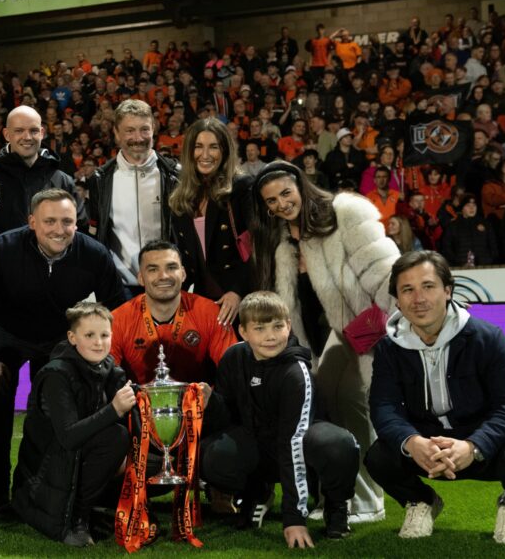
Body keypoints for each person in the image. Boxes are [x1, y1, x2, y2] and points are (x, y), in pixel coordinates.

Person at [366, 251, 505, 545]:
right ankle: (421, 501)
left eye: (428, 286)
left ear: (448, 291)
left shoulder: (487, 337)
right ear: (397, 300)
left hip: (483, 445)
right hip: (427, 445)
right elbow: (383, 407)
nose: (419, 298)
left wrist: (473, 446)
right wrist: (413, 442)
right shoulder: (389, 348)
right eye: (407, 289)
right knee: (378, 457)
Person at [252, 160, 400, 524]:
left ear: (302, 186)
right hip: (315, 344)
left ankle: (369, 501)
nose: (281, 204)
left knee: (351, 406)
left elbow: (388, 274)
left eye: (286, 193)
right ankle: (336, 499)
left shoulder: (345, 212)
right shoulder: (282, 241)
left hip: (364, 330)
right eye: (271, 201)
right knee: (324, 416)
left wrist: (384, 327)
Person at [0, 188, 125, 515]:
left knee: (51, 418)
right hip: (6, 336)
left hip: (58, 339)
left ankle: (36, 492)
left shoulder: (95, 254)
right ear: (31, 222)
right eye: (50, 221)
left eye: (67, 222)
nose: (59, 229)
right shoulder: (2, 249)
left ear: (77, 223)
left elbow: (119, 308)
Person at [201, 292, 359, 547]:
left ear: (288, 326)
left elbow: (293, 443)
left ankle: (336, 504)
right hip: (258, 443)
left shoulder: (296, 373)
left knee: (338, 445)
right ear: (243, 331)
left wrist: (294, 519)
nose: (270, 336)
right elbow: (227, 418)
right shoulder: (233, 358)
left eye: (277, 326)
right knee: (213, 454)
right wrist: (211, 403)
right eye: (260, 328)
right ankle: (256, 491)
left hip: (300, 447)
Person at [12, 301, 134, 547]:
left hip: (75, 461)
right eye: (89, 335)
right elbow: (68, 437)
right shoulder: (56, 375)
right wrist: (114, 409)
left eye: (104, 335)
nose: (98, 342)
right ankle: (77, 516)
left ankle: (125, 507)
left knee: (150, 462)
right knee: (116, 438)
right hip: (45, 475)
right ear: (72, 337)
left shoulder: (110, 369)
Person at [85, 99, 180, 297]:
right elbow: (97, 232)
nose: (138, 138)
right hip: (119, 286)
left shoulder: (175, 175)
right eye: (129, 131)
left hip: (166, 283)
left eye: (144, 129)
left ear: (153, 128)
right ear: (117, 133)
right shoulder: (100, 180)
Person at [110, 240, 237, 385]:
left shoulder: (211, 313)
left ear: (183, 274)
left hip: (200, 404)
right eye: (153, 269)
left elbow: (233, 371)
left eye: (171, 267)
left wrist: (212, 400)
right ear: (140, 278)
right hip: (139, 405)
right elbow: (107, 379)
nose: (163, 276)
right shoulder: (118, 319)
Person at [168, 117, 255, 328]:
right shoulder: (182, 195)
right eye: (198, 146)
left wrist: (237, 291)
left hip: (240, 299)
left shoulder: (241, 188)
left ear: (224, 152)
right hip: (203, 300)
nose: (205, 155)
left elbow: (259, 249)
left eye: (213, 147)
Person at [0, 105, 88, 238]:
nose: (27, 137)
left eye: (33, 131)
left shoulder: (62, 181)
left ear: (42, 133)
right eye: (19, 130)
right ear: (6, 134)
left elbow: (80, 229)